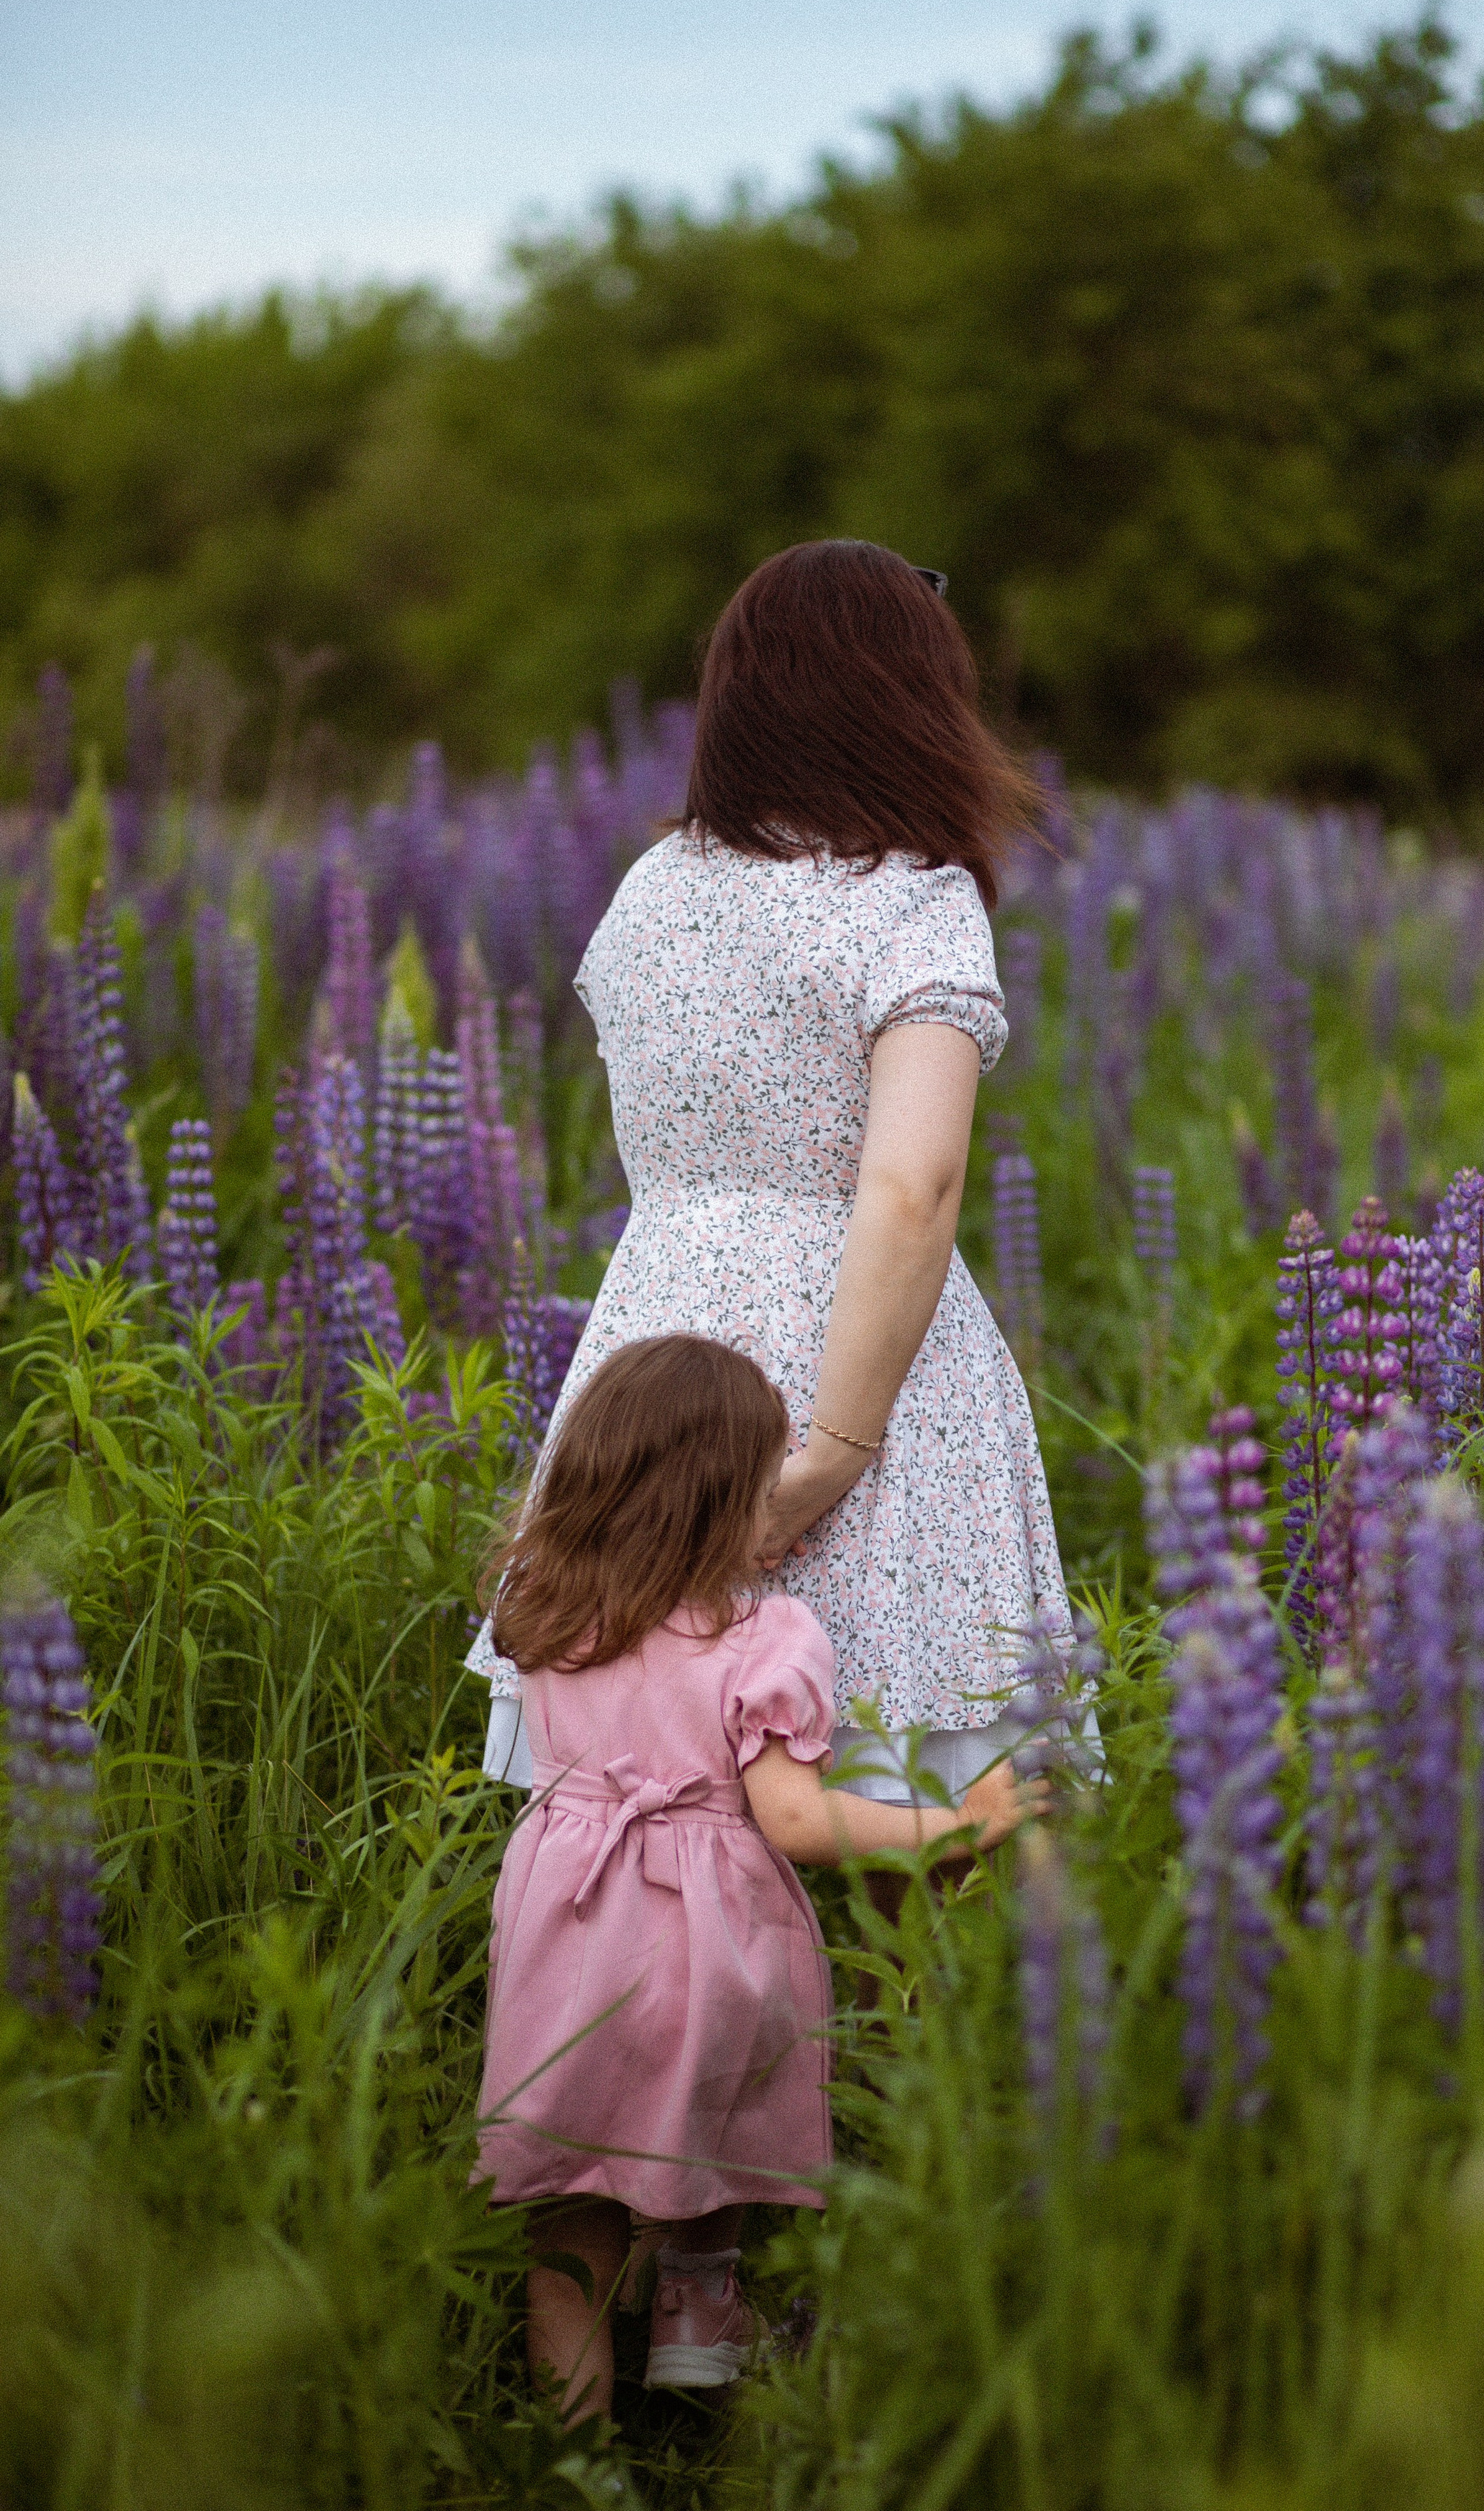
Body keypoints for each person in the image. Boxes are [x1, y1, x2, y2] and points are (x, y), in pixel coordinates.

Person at [468, 534, 1073, 1821]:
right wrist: (835, 1451)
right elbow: (910, 1189)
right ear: (911, 701)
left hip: (657, 1344)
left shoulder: (652, 890)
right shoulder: (912, 899)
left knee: (647, 1788)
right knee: (903, 1781)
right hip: (854, 1354)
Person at [476, 1330, 1042, 2420]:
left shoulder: (542, 1601)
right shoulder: (765, 1638)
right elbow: (796, 1819)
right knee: (710, 2124)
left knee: (570, 2215)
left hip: (565, 1930)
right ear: (713, 1504)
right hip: (704, 1936)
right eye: (764, 1485)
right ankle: (696, 2312)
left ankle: (575, 2451)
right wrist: (958, 1824)